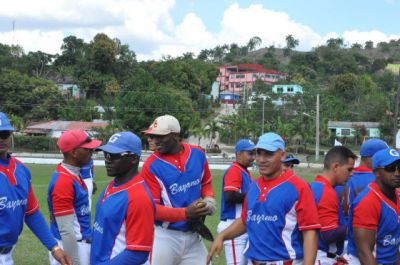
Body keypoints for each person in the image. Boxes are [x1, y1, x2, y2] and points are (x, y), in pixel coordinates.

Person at [208, 132, 321, 265]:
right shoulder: (253, 186)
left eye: (269, 154)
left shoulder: (299, 187)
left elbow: (310, 232)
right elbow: (245, 221)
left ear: (282, 155)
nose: (261, 159)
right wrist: (222, 236)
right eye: (259, 153)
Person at [141, 114, 216, 265]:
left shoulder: (197, 154)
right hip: (165, 237)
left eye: (160, 136)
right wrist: (185, 213)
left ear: (175, 135)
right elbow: (152, 209)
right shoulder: (150, 166)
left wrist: (208, 201)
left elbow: (206, 182)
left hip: (194, 235)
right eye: (153, 136)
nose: (155, 141)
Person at [0, 112, 71, 265]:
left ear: (10, 135)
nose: (1, 139)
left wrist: (54, 247)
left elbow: (31, 213)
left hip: (7, 255)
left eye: (4, 134)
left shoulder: (21, 170)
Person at [91, 132, 155, 265]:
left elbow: (138, 253)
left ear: (133, 159)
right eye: (106, 154)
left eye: (114, 156)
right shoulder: (114, 184)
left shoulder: (139, 197)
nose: (107, 159)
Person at [47, 130, 101, 265]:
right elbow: (66, 230)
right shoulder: (63, 182)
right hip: (71, 247)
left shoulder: (73, 174)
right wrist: (74, 261)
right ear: (74, 153)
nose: (91, 152)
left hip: (80, 244)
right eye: (87, 149)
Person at [345, 148, 400, 265]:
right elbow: (364, 252)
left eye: (399, 167)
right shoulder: (368, 201)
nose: (397, 173)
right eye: (390, 168)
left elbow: (393, 246)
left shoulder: (397, 196)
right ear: (376, 172)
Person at [310, 146, 357, 264]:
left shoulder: (315, 185)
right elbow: (329, 233)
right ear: (335, 167)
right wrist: (356, 226)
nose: (351, 174)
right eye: (349, 169)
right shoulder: (326, 192)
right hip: (323, 257)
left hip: (317, 254)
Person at [218, 139, 255, 265]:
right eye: (250, 153)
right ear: (238, 154)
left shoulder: (245, 172)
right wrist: (254, 197)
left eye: (254, 153)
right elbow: (230, 196)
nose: (253, 157)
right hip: (232, 225)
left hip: (241, 225)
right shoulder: (235, 170)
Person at [342, 139, 388, 217]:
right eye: (384, 158)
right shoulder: (380, 179)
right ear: (372, 158)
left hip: (343, 226)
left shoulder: (342, 176)